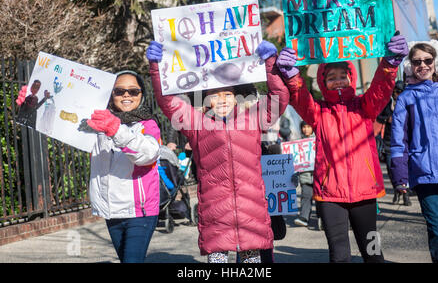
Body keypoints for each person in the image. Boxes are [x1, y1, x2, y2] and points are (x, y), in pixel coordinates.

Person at [146, 40, 289, 263]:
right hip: (215, 215)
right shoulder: (197, 123)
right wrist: (157, 68)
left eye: (228, 94)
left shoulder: (252, 119)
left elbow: (278, 98)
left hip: (251, 213)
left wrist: (270, 64)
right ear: (207, 99)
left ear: (237, 97)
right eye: (215, 94)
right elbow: (168, 103)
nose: (222, 99)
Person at [276, 32, 409, 263]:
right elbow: (299, 97)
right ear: (323, 81)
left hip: (365, 193)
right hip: (330, 196)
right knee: (339, 256)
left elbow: (380, 88)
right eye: (331, 77)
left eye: (342, 75)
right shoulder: (318, 112)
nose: (338, 80)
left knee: (374, 252)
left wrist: (390, 63)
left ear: (352, 78)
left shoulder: (365, 106)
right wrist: (291, 75)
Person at [80, 70, 161, 263]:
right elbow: (65, 128)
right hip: (111, 210)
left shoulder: (148, 124)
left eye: (133, 91)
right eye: (119, 91)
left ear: (142, 95)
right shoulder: (98, 123)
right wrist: (34, 103)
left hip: (140, 211)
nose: (126, 95)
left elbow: (148, 154)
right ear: (111, 94)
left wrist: (116, 130)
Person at [390, 41, 438, 263]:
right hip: (423, 172)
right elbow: (398, 140)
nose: (423, 65)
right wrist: (399, 176)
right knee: (436, 228)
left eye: (428, 60)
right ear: (410, 65)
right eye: (417, 62)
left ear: (436, 63)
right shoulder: (405, 98)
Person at [376, 80, 411, 205]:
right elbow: (378, 116)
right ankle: (397, 190)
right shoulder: (388, 104)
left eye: (399, 91)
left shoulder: (408, 103)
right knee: (392, 170)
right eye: (395, 92)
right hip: (389, 143)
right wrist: (387, 118)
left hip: (406, 142)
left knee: (406, 169)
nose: (397, 94)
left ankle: (406, 194)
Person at [292, 121, 316, 227]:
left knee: (321, 200)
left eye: (308, 127)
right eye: (304, 127)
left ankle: (322, 219)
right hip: (305, 176)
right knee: (306, 196)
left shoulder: (318, 140)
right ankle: (304, 217)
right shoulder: (298, 143)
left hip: (319, 176)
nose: (306, 129)